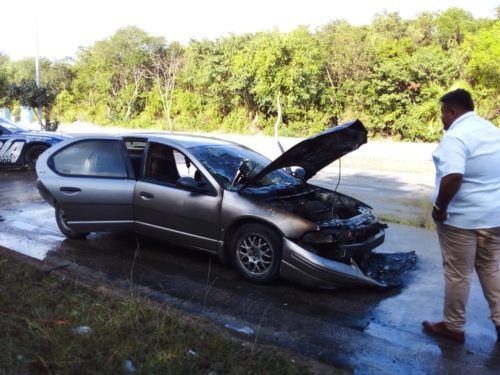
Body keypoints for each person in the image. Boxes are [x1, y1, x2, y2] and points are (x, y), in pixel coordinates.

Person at [422, 89, 500, 343]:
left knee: (458, 273)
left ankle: (453, 326)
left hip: (461, 221)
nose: (442, 118)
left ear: (453, 112)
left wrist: (440, 208)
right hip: (493, 217)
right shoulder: (491, 131)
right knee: (490, 267)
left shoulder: (456, 136)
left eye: (443, 113)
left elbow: (454, 175)